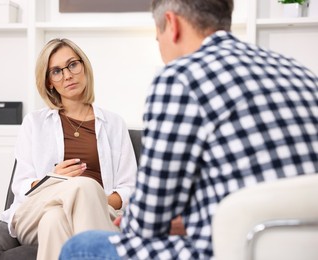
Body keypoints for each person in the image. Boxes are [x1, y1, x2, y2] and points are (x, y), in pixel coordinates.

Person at [59, 0, 318, 259]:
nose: (160, 44)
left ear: (172, 24)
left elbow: (148, 222)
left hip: (230, 250)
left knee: (81, 247)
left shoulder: (180, 78)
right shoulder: (302, 75)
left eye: (157, 36)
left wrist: (132, 221)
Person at [0, 38, 137, 260]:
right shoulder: (34, 122)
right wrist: (54, 179)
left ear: (84, 66)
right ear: (49, 82)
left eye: (72, 64)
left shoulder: (114, 123)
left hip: (100, 211)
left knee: (54, 220)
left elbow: (129, 188)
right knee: (82, 187)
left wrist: (91, 198)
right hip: (33, 212)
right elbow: (22, 186)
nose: (67, 75)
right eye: (56, 71)